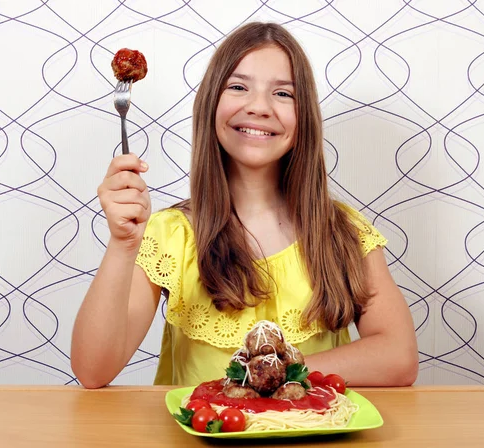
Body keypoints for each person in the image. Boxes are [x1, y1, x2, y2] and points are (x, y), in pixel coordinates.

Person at [70, 22, 419, 389]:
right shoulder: (172, 235)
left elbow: (398, 357)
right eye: (238, 87)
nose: (259, 107)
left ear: (305, 119)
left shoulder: (342, 230)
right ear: (211, 105)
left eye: (283, 94)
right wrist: (123, 245)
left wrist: (270, 374)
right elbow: (94, 370)